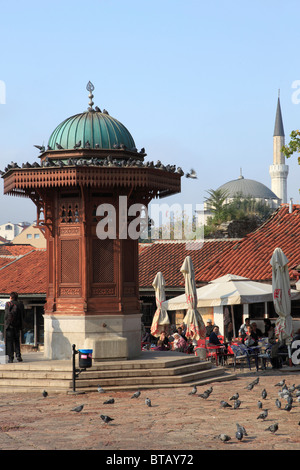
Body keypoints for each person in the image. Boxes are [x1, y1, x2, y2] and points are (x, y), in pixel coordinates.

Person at [4, 292, 24, 363]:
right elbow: (23, 315)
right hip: (18, 326)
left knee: (9, 342)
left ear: (11, 297)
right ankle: (18, 355)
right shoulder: (21, 304)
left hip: (9, 326)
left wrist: (6, 323)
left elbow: (6, 315)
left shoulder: (8, 304)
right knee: (17, 341)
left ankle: (10, 358)